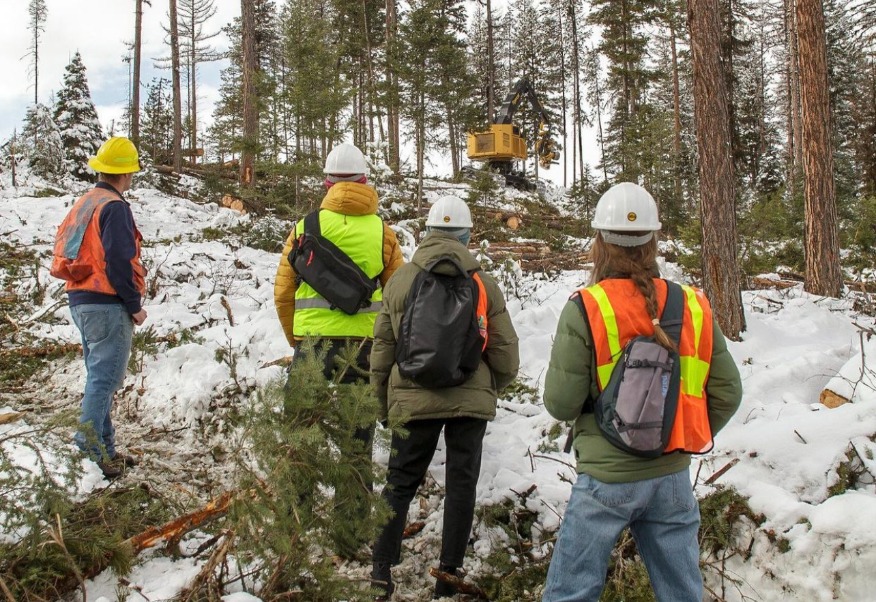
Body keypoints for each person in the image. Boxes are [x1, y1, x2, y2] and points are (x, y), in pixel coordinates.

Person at [540, 182, 743, 602]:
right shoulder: (693, 304)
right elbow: (727, 392)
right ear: (654, 240)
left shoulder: (586, 306)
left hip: (605, 479)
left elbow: (560, 403)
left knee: (570, 593)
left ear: (598, 242)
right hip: (671, 478)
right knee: (683, 594)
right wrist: (677, 433)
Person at [369, 195, 520, 600]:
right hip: (469, 401)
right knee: (461, 485)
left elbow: (382, 351)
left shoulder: (401, 280)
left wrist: (385, 408)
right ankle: (447, 577)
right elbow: (506, 355)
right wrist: (487, 388)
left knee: (400, 483)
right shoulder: (483, 283)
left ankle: (381, 569)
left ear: (428, 233)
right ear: (467, 235)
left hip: (412, 397)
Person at [274, 141, 404, 556]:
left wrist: (297, 340)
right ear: (365, 181)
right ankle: (348, 536)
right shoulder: (383, 233)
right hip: (363, 352)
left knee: (300, 438)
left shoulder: (304, 228)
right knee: (356, 441)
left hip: (312, 348)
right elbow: (400, 298)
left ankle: (295, 528)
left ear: (327, 182)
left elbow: (283, 294)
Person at [50, 136, 147, 480]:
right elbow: (120, 260)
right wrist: (133, 304)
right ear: (126, 173)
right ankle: (90, 454)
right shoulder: (115, 207)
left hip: (81, 300)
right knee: (105, 380)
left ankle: (104, 448)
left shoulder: (85, 202)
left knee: (99, 377)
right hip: (107, 303)